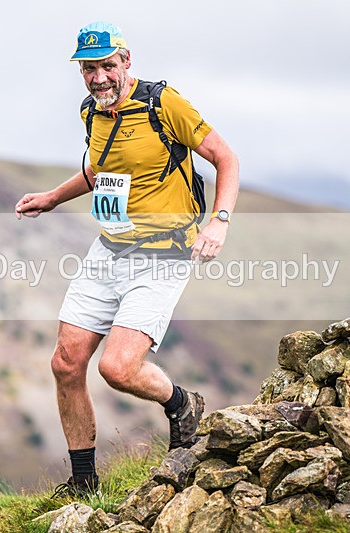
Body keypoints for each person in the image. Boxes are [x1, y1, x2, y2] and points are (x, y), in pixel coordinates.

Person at [15, 22, 239, 495]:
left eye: (107, 66)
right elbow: (100, 169)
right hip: (109, 250)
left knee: (116, 369)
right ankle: (83, 484)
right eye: (89, 69)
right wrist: (54, 197)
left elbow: (226, 158)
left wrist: (218, 220)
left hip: (162, 256)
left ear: (126, 60)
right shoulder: (90, 112)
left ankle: (180, 402)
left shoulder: (164, 103)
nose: (99, 78)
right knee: (65, 363)